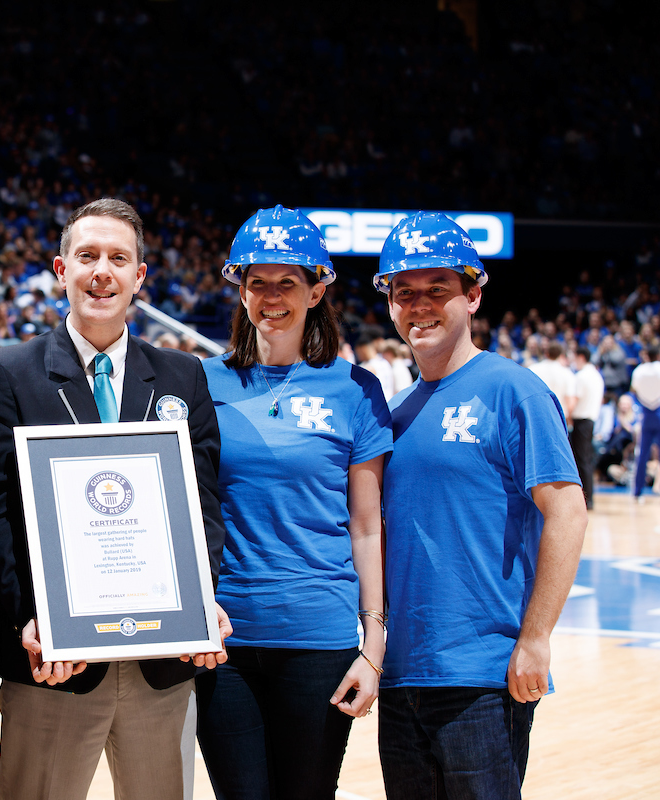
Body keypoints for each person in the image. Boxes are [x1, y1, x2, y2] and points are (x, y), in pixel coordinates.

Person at [0, 198, 229, 800]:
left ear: (140, 276)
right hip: (53, 661)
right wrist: (33, 618)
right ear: (62, 270)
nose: (101, 272)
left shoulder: (183, 376)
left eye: (118, 258)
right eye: (87, 256)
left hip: (161, 662)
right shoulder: (8, 372)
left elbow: (203, 505)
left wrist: (200, 597)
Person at [374, 212, 587, 799]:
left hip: (485, 676)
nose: (419, 305)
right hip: (402, 673)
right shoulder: (396, 412)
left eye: (436, 290)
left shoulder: (514, 390)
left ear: (472, 296)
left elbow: (567, 511)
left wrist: (536, 638)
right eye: (404, 292)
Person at [195, 206, 390, 800]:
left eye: (287, 282)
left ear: (316, 290)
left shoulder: (356, 389)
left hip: (319, 637)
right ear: (241, 289)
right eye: (258, 282)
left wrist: (374, 646)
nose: (272, 297)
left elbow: (366, 526)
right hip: (222, 638)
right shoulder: (201, 382)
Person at [570, 346, 604, 509]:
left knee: (581, 460)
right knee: (585, 459)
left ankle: (586, 499)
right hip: (590, 420)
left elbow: (574, 400)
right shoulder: (597, 375)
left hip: (581, 421)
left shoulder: (582, 376)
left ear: (581, 357)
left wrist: (566, 416)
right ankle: (587, 498)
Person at [629, 345, 660, 502]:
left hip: (646, 413)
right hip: (658, 411)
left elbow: (633, 391)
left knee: (642, 454)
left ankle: (637, 492)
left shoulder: (639, 371)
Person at [529, 341, 576, 424]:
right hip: (557, 417)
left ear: (546, 353)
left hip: (536, 414)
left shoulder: (533, 369)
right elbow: (570, 402)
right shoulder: (567, 374)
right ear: (561, 355)